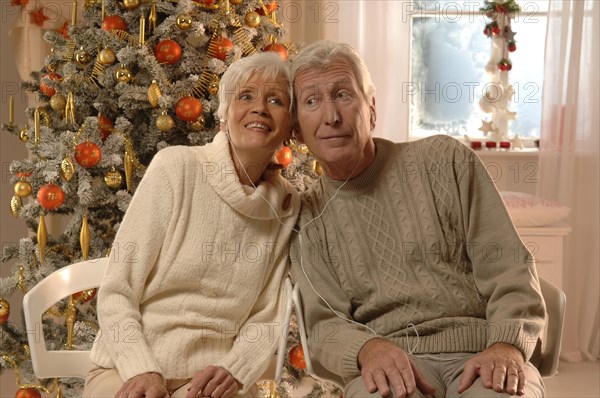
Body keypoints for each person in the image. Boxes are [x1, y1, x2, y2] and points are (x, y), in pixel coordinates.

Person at [289, 40, 547, 398]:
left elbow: (508, 265)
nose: (331, 115)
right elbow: (323, 323)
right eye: (311, 101)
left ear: (372, 109)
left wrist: (508, 344)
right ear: (297, 130)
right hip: (389, 362)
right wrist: (368, 350)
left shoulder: (445, 161)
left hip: (482, 350)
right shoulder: (307, 218)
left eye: (343, 94)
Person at [83, 52, 300, 398]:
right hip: (125, 367)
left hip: (212, 380)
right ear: (224, 117)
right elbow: (117, 289)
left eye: (275, 100)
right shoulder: (176, 168)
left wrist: (235, 369)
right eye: (245, 96)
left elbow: (268, 315)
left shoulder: (287, 206)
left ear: (290, 127)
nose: (259, 107)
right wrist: (142, 368)